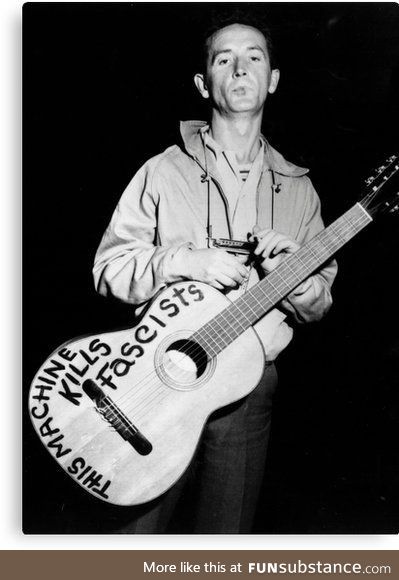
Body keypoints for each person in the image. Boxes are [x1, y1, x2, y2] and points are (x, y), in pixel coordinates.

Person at [93, 13, 337, 533]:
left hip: (250, 391)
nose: (241, 68)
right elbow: (108, 268)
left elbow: (320, 304)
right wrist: (180, 261)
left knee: (224, 540)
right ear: (205, 84)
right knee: (136, 533)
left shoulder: (301, 191)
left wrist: (291, 275)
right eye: (224, 59)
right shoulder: (162, 169)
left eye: (254, 57)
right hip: (158, 374)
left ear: (273, 79)